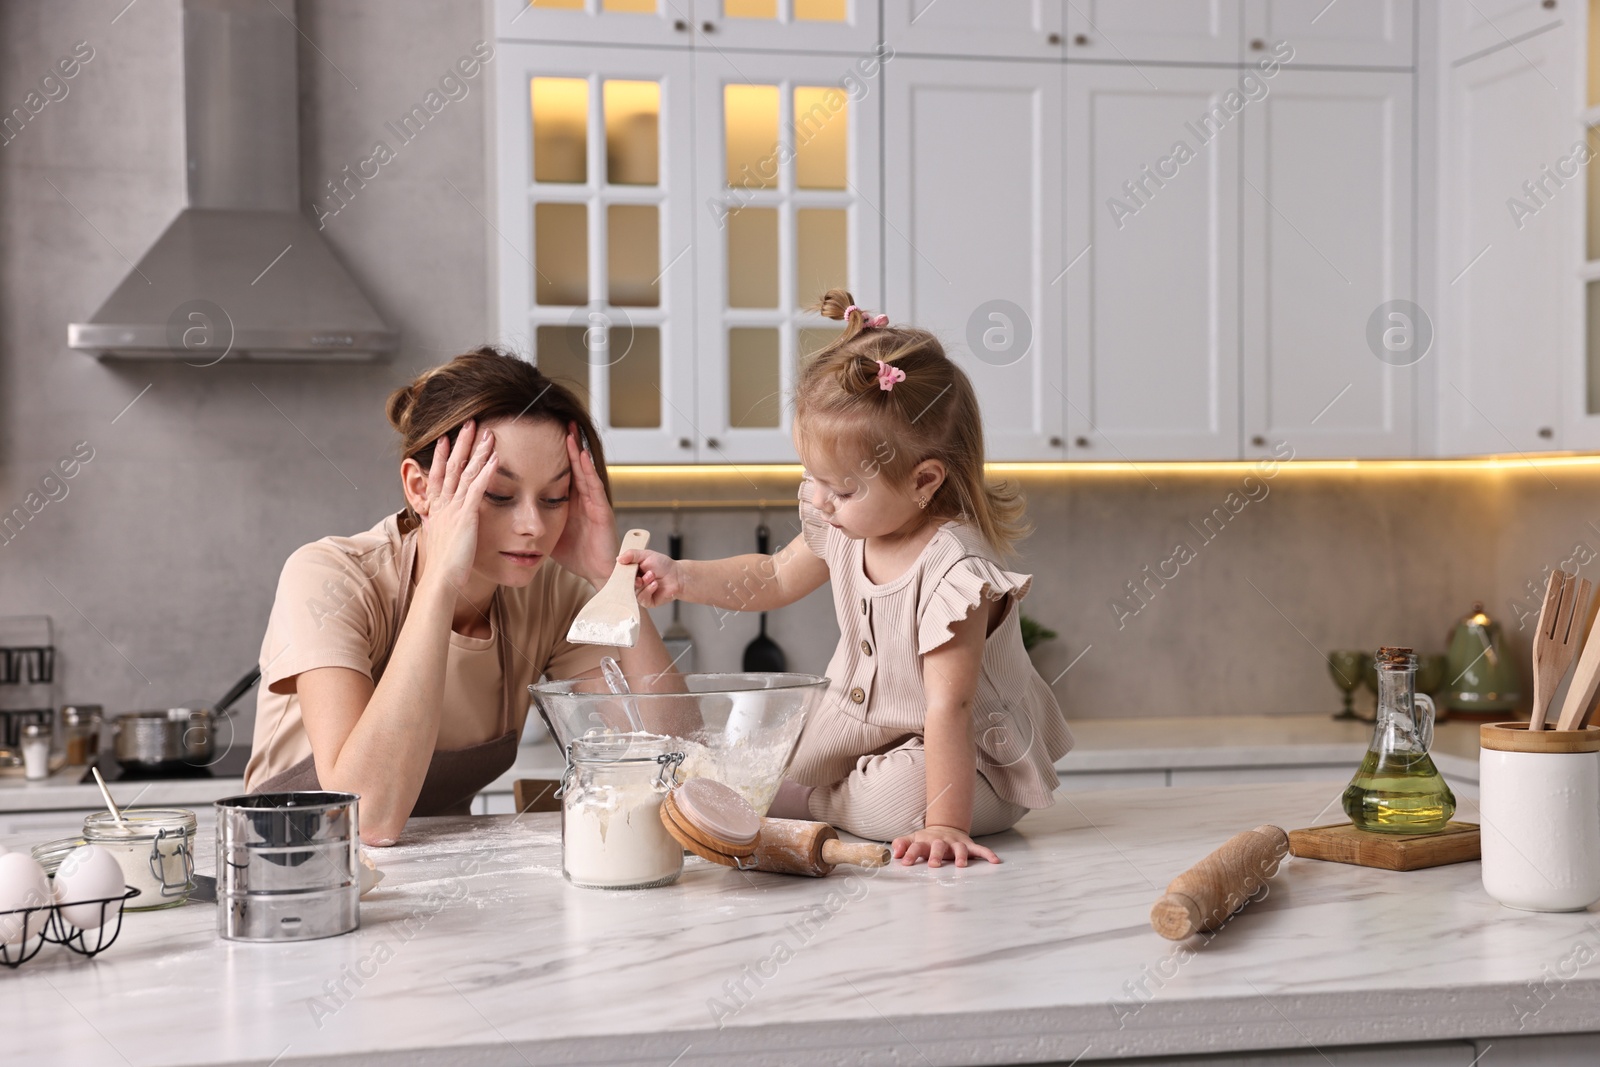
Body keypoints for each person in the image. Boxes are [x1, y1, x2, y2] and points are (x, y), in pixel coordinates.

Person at [625, 290, 1072, 868]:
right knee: (771, 751)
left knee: (901, 801)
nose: (819, 500)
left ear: (924, 481)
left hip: (968, 764)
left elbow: (949, 709)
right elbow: (774, 576)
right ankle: (806, 795)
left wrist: (943, 825)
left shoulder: (953, 575)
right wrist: (681, 576)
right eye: (811, 476)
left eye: (841, 488)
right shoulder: (846, 523)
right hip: (862, 728)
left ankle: (810, 802)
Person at [244, 347, 673, 844]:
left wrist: (609, 579)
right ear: (420, 488)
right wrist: (442, 580)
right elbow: (370, 818)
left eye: (555, 499)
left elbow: (667, 758)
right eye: (498, 495)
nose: (534, 525)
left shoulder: (552, 593)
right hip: (290, 871)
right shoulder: (329, 577)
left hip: (440, 878)